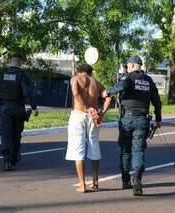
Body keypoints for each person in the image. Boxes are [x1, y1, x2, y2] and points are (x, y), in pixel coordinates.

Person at [102, 55, 162, 196]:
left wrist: (107, 92)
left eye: (128, 66)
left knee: (125, 151)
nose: (127, 68)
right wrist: (158, 119)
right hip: (142, 120)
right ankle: (138, 182)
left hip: (127, 119)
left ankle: (125, 181)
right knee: (138, 151)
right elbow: (157, 102)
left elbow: (121, 86)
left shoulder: (128, 78)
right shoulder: (149, 81)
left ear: (134, 65)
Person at [65, 64, 111, 193]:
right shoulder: (97, 83)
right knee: (94, 145)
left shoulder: (75, 78)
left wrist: (85, 107)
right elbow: (108, 98)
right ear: (90, 72)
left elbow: (75, 92)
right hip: (94, 116)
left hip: (79, 115)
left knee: (78, 149)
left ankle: (82, 184)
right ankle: (95, 181)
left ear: (79, 71)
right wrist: (102, 113)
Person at [0, 54, 38, 171]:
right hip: (18, 108)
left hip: (4, 109)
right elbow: (27, 92)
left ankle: (7, 159)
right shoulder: (22, 75)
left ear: (11, 62)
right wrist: (34, 108)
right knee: (16, 134)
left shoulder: (2, 74)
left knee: (6, 134)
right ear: (20, 63)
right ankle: (14, 157)